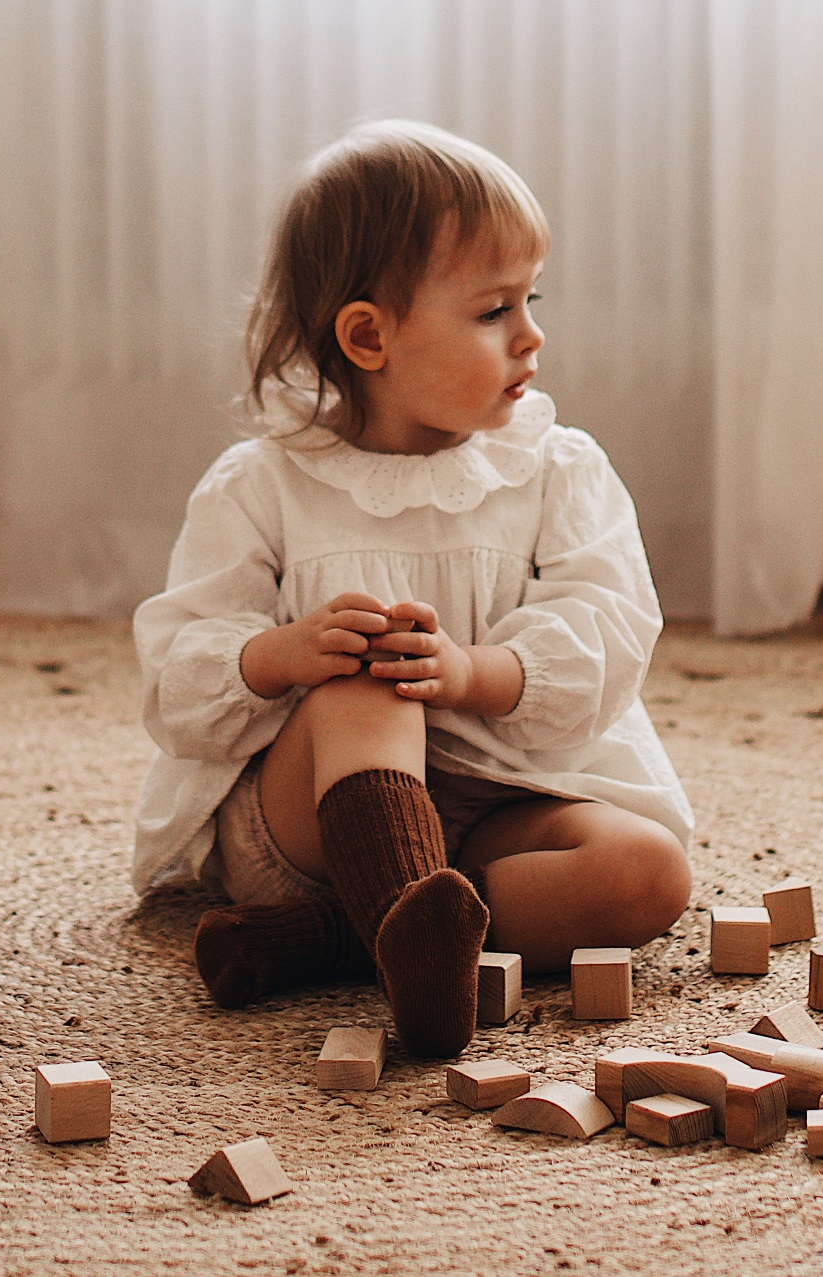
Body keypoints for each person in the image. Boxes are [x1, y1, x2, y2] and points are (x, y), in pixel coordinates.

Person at [131, 119, 693, 1059]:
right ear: (369, 335)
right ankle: (399, 929)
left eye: (531, 298)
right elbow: (176, 676)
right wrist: (277, 657)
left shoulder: (558, 471)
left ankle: (356, 937)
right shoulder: (260, 486)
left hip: (501, 793)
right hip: (313, 821)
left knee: (650, 874)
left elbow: (612, 626)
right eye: (492, 311)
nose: (531, 334)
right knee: (368, 683)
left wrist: (477, 672)